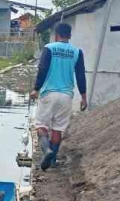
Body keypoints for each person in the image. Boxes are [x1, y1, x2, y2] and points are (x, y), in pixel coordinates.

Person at [29, 22, 87, 171]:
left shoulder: (49, 48)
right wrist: (84, 96)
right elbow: (80, 75)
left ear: (56, 35)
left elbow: (42, 69)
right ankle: (53, 160)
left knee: (41, 126)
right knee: (57, 129)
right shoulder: (77, 52)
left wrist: (36, 89)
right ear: (70, 35)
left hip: (49, 93)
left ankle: (46, 149)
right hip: (66, 96)